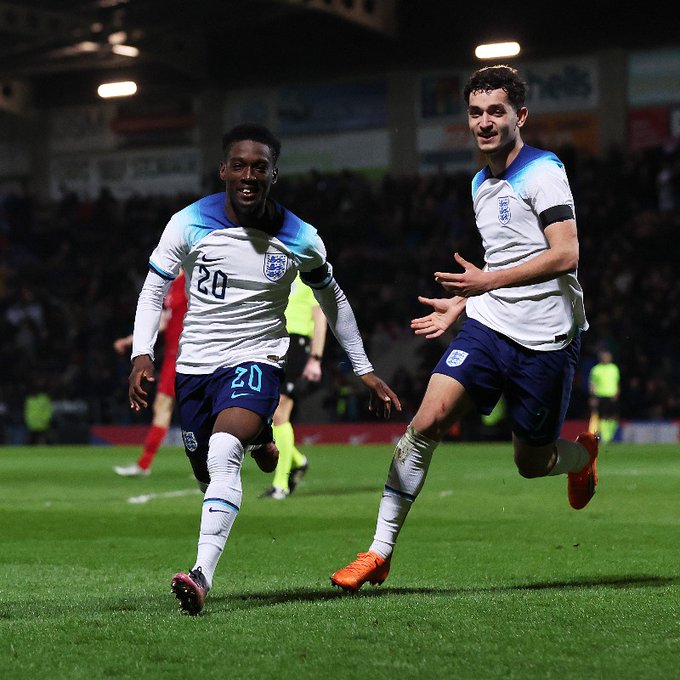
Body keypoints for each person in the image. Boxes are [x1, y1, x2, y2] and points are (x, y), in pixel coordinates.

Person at [330, 65, 598, 593]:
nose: (484, 122)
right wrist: (463, 303)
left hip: (546, 341)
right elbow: (502, 256)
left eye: (495, 111)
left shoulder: (543, 171)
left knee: (531, 462)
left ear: (520, 116)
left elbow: (565, 254)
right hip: (490, 326)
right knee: (425, 421)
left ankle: (581, 456)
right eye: (476, 113)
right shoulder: (480, 182)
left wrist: (484, 282)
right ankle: (379, 551)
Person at [127, 123, 401, 615]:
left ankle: (201, 575)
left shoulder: (302, 237)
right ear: (223, 170)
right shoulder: (187, 222)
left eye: (260, 167)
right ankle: (262, 440)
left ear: (274, 174)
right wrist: (141, 353)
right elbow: (153, 289)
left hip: (257, 357)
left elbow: (332, 300)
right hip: (195, 367)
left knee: (223, 451)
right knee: (205, 470)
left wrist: (363, 367)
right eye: (239, 165)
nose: (248, 175)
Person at [260, 273, 327, 500]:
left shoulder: (308, 272)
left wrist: (316, 357)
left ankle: (281, 484)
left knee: (279, 414)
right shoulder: (274, 273)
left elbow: (320, 316)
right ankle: (298, 461)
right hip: (270, 342)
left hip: (296, 345)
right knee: (265, 415)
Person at [113, 271, 188, 477]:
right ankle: (144, 464)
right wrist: (131, 341)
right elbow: (163, 319)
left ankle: (215, 460)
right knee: (163, 407)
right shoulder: (174, 286)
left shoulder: (194, 278)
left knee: (199, 408)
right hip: (174, 357)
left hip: (191, 353)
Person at [588, 349, 620, 444]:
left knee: (613, 416)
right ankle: (606, 437)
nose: (607, 358)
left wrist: (617, 393)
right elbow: (592, 384)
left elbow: (617, 382)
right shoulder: (596, 369)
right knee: (602, 416)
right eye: (605, 356)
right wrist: (593, 397)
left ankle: (610, 434)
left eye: (608, 356)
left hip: (612, 395)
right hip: (601, 395)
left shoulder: (614, 368)